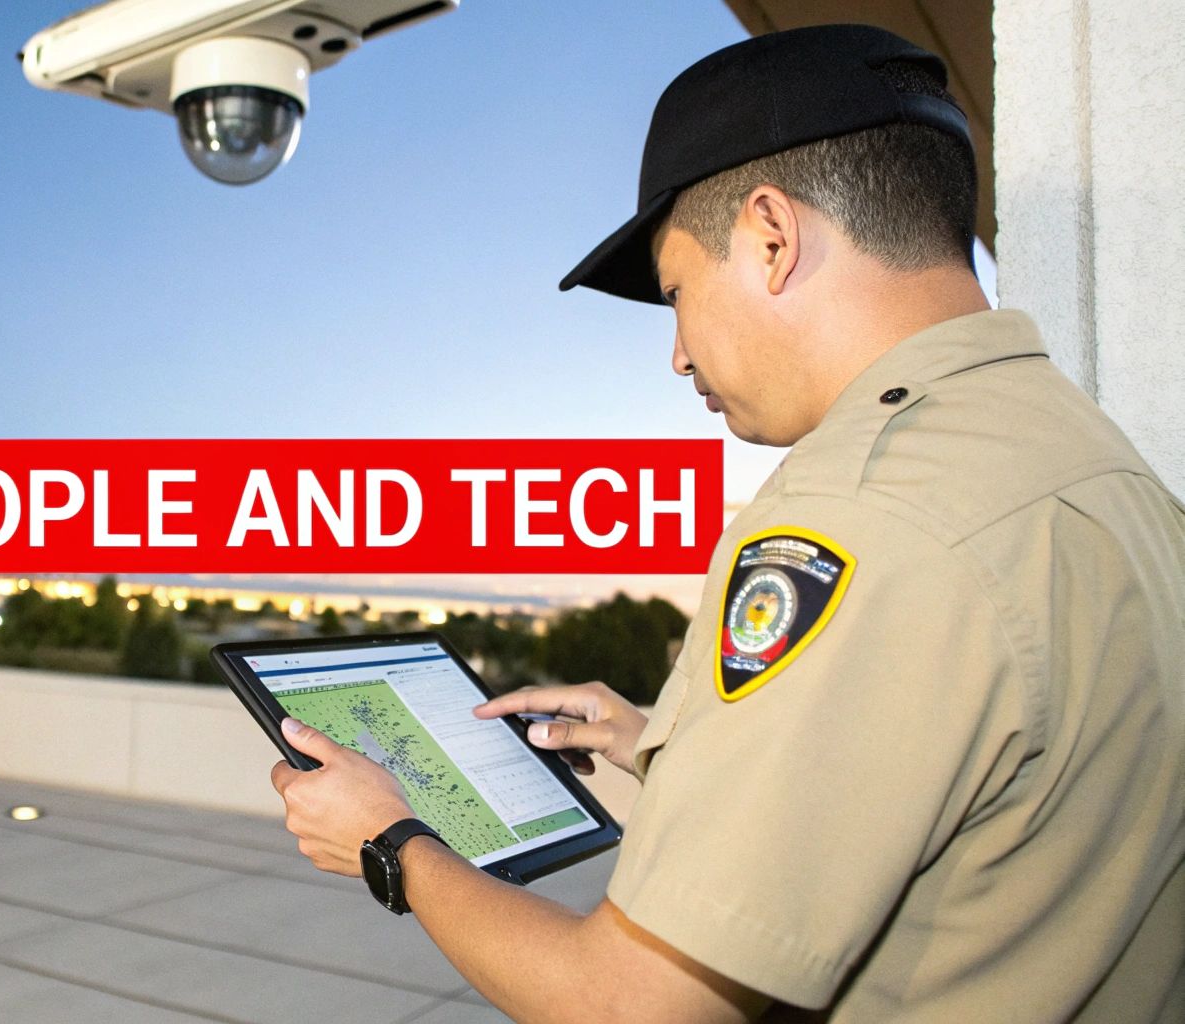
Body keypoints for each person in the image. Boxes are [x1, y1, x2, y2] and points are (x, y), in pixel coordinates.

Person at [270, 24, 1184, 1023]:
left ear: (769, 237)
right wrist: (668, 744)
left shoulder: (853, 514)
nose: (675, 354)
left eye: (675, 294)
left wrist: (392, 841)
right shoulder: (1102, 470)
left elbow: (629, 1004)